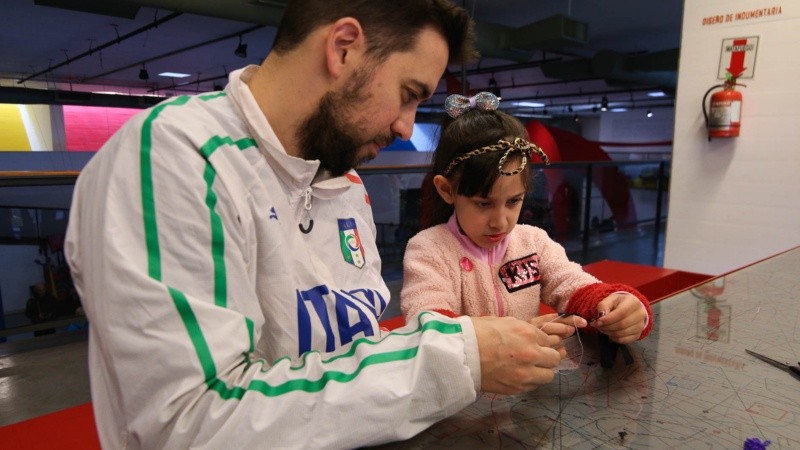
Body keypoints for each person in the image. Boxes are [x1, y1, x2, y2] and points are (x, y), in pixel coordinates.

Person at [64, 1, 571, 448]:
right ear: (344, 47)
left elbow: (349, 361)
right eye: (408, 92)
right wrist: (456, 358)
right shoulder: (172, 160)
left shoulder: (345, 184)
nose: (405, 126)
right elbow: (191, 423)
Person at [401, 92, 653, 345]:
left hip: (532, 380)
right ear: (447, 190)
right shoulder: (429, 250)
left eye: (513, 201)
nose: (500, 222)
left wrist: (621, 307)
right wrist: (512, 339)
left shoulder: (533, 242)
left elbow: (573, 285)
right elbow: (429, 328)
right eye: (483, 203)